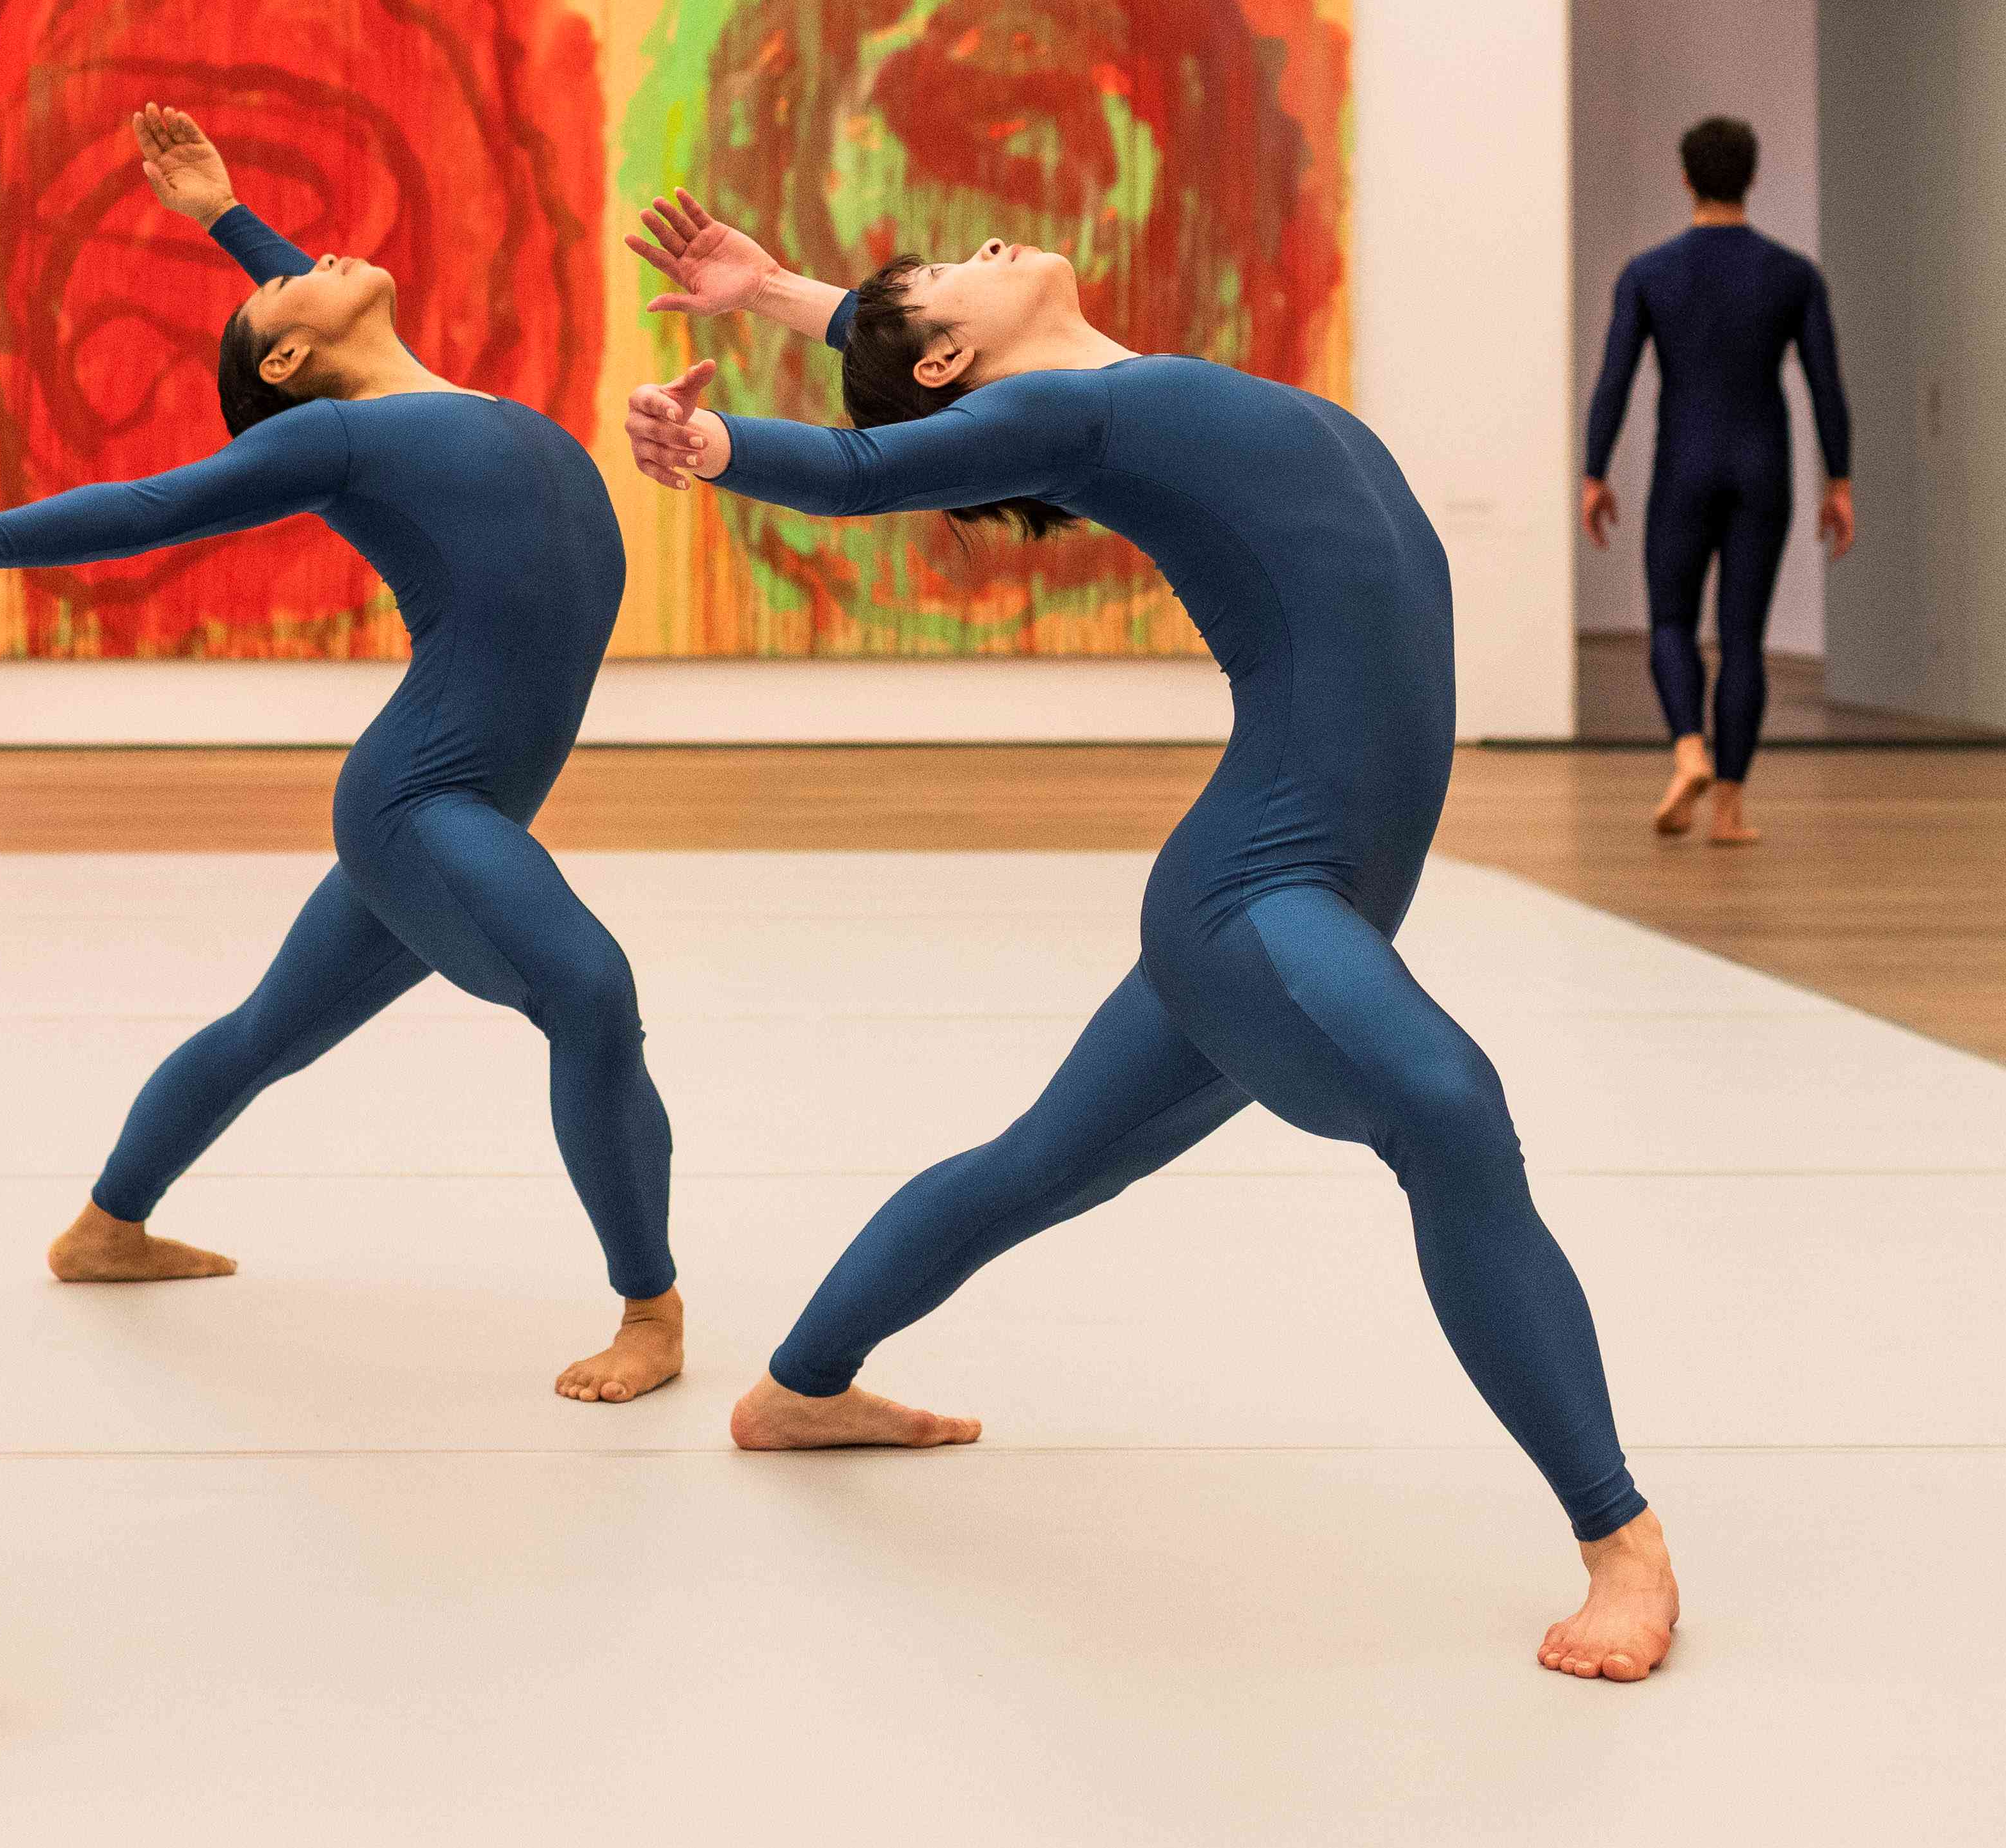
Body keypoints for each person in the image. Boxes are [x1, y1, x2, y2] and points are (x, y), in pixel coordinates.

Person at [619, 194, 1680, 1683]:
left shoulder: (1112, 394)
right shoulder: (1072, 415)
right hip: (1260, 895)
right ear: (953, 364)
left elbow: (905, 357)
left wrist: (779, 290)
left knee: (1038, 1165)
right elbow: (866, 464)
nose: (989, 245)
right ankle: (1621, 1541)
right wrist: (713, 443)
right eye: (958, 273)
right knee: (1448, 1110)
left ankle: (798, 1388)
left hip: (1297, 895)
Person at [0, 108, 687, 1404]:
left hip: (451, 804)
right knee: (588, 994)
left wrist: (223, 216)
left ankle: (106, 1227)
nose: (310, 260)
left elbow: (314, 325)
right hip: (427, 801)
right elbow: (152, 506)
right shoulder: (331, 434)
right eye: (286, 284)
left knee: (267, 1032)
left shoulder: (422, 399)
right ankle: (652, 1310)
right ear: (293, 356)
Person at [1578, 114, 1854, 846]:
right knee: (1742, 638)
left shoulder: (1649, 273)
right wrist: (1840, 480)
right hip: (1763, 466)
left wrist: (1595, 470)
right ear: (1752, 177)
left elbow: (1615, 380)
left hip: (1684, 465)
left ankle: (1689, 750)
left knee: (1671, 621)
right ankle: (1730, 809)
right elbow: (1826, 386)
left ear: (1685, 178)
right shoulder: (1793, 275)